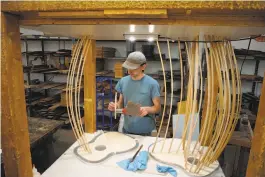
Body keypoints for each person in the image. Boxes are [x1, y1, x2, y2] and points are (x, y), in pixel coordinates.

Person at [108, 51, 161, 136]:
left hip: (146, 131)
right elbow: (120, 104)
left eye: (134, 68)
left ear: (143, 66)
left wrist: (146, 109)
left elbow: (157, 108)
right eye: (128, 68)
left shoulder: (152, 84)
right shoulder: (123, 81)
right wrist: (115, 106)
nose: (130, 71)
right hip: (127, 129)